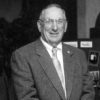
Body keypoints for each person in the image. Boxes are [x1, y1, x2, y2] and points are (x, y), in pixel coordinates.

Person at [11, 4, 95, 100]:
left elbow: (88, 92)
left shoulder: (78, 55)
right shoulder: (22, 56)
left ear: (65, 26)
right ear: (39, 26)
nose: (55, 27)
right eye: (49, 21)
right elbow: (27, 97)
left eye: (60, 21)